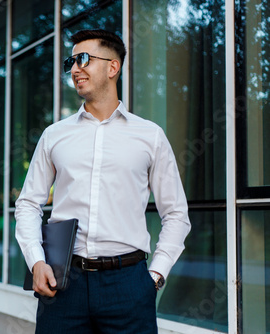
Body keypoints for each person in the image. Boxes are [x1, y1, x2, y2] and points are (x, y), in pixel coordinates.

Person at [15, 29, 191, 334]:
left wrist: (155, 277)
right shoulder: (54, 135)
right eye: (71, 61)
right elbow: (28, 203)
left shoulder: (149, 136)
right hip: (63, 282)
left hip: (129, 285)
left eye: (84, 59)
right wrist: (36, 261)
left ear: (113, 67)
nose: (74, 69)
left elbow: (176, 214)